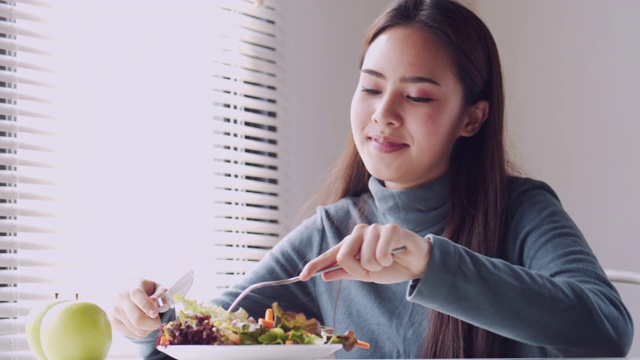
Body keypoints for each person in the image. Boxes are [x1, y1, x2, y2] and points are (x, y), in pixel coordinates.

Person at [111, 0, 634, 358]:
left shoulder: (523, 211)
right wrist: (151, 323)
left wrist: (428, 263)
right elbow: (206, 334)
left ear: (472, 118)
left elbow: (607, 331)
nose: (383, 114)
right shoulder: (331, 232)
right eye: (370, 88)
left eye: (419, 96)